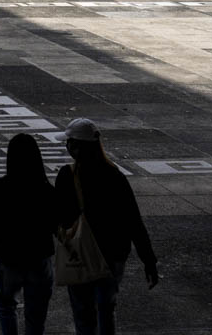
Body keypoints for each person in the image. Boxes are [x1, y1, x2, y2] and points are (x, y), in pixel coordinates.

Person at [56, 118, 159, 335]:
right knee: (106, 309)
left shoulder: (67, 175)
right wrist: (148, 260)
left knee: (83, 313)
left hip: (80, 254)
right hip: (113, 255)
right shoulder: (115, 175)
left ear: (75, 147)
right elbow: (134, 221)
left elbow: (59, 217)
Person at [0, 133, 58, 335]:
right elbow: (56, 225)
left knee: (6, 305)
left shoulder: (1, 187)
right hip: (39, 256)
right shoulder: (46, 190)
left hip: (9, 257)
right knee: (36, 315)